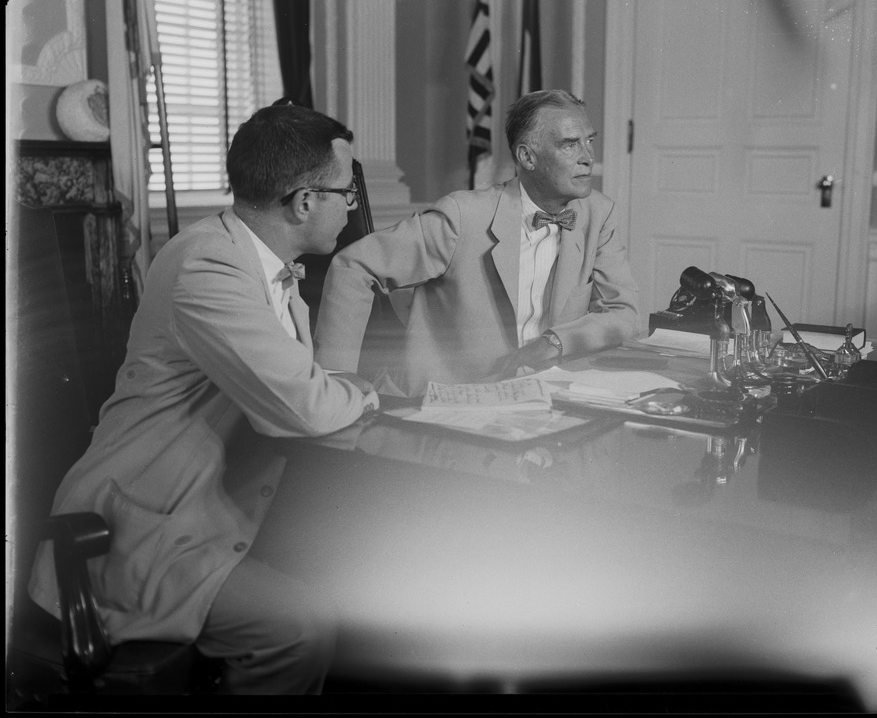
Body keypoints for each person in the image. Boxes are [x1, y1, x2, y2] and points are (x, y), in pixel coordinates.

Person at [27, 103, 379, 695]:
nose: (351, 205)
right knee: (297, 626)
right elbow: (304, 405)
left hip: (218, 502)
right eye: (346, 191)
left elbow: (301, 390)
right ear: (303, 201)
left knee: (362, 574)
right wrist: (365, 396)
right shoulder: (207, 265)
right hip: (142, 525)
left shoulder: (265, 265)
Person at [314, 89, 641, 397]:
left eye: (589, 141)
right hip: (444, 401)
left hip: (543, 398)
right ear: (527, 157)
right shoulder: (463, 216)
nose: (588, 157)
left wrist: (557, 343)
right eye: (570, 144)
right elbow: (353, 265)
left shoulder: (598, 215)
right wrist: (336, 378)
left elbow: (624, 313)